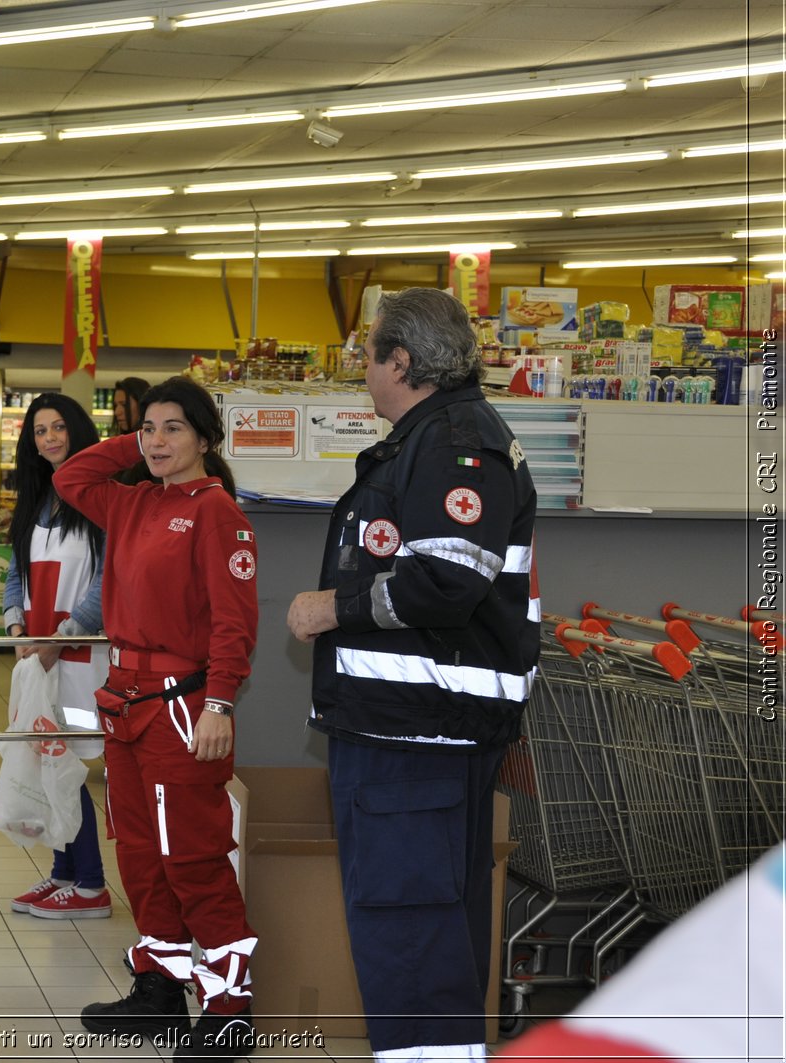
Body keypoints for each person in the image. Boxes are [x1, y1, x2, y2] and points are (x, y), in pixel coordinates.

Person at [285, 287, 539, 1061]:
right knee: (429, 924)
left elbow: (444, 582)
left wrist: (333, 606)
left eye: (369, 353)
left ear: (401, 359)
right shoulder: (435, 435)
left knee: (409, 928)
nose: (363, 368)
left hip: (418, 733)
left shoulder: (455, 442)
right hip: (415, 729)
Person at [55, 377, 261, 1062]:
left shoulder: (216, 510)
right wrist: (138, 442)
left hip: (183, 707)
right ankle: (161, 988)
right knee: (141, 856)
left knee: (193, 859)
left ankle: (230, 1008)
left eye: (175, 428)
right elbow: (72, 475)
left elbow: (235, 622)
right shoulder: (135, 499)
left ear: (206, 436)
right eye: (149, 428)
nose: (157, 441)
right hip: (125, 701)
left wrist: (221, 702)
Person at [1, 394, 110, 920]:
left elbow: (108, 578)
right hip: (37, 657)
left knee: (66, 763)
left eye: (59, 427)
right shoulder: (36, 497)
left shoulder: (101, 497)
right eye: (40, 431)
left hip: (80, 658)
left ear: (79, 431)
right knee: (48, 759)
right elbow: (16, 570)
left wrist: (65, 634)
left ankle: (91, 885)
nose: (50, 438)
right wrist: (15, 623)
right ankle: (64, 872)